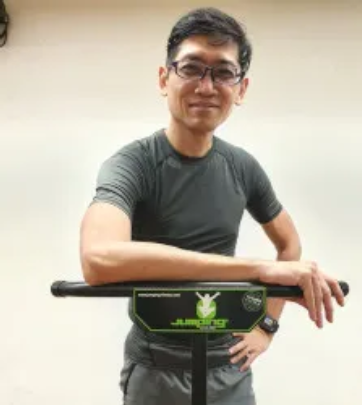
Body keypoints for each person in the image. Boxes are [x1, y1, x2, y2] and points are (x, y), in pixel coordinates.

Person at [79, 7, 345, 405]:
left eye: (223, 72)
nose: (206, 86)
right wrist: (258, 269)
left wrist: (266, 326)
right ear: (164, 78)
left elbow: (289, 244)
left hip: (227, 364)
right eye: (191, 68)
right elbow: (98, 259)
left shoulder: (242, 167)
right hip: (156, 366)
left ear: (241, 89)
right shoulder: (132, 164)